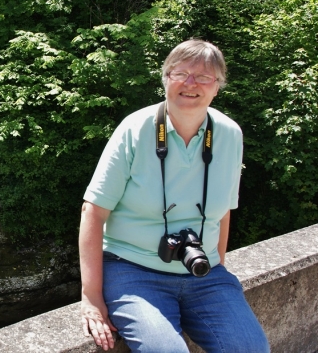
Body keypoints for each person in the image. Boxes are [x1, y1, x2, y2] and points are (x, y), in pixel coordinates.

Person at [78, 39, 269, 352]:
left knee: (251, 348)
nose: (191, 83)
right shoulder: (135, 129)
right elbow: (93, 212)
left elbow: (223, 212)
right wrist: (92, 298)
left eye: (204, 77)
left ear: (217, 86)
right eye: (180, 73)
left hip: (202, 272)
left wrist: (216, 265)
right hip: (133, 270)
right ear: (165, 78)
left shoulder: (230, 134)